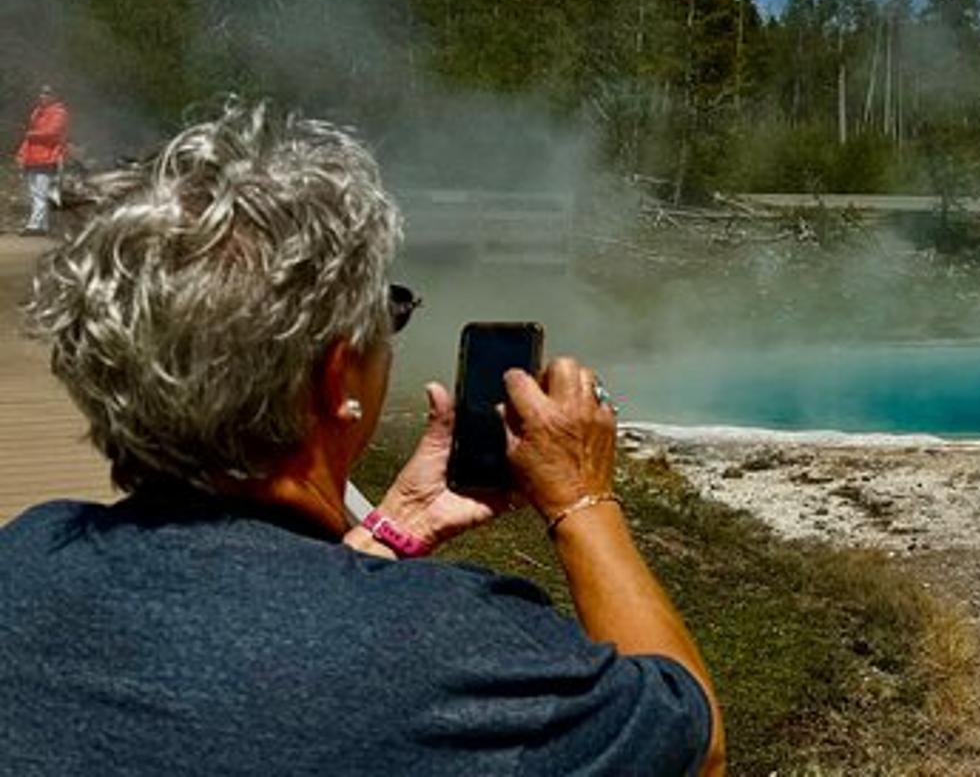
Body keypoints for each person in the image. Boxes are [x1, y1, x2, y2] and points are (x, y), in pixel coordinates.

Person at [0, 101, 725, 776]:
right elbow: (691, 741)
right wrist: (582, 495)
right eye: (390, 310)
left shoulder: (29, 552)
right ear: (335, 373)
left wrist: (385, 534)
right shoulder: (447, 646)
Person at [14, 84, 68, 235]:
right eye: (42, 93)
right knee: (35, 192)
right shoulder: (37, 112)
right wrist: (21, 154)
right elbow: (28, 138)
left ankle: (35, 225)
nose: (43, 96)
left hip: (49, 157)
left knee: (40, 193)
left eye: (47, 94)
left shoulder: (59, 112)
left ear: (55, 96)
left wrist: (30, 134)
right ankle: (42, 226)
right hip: (32, 158)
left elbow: (52, 132)